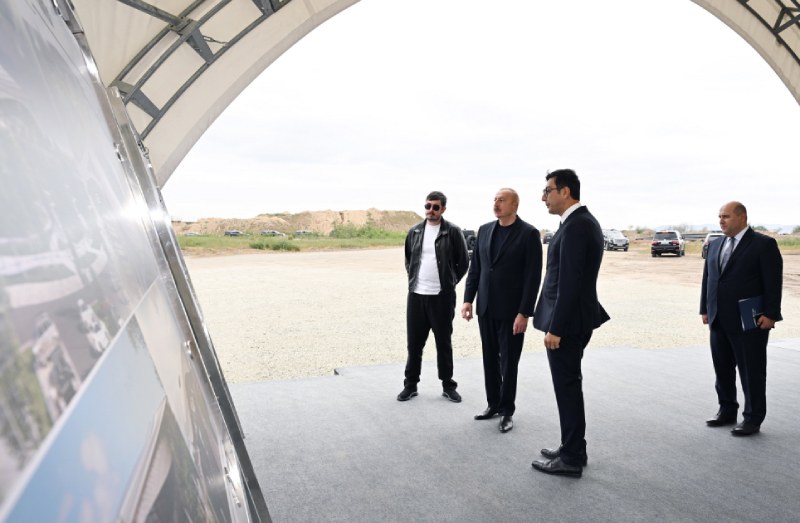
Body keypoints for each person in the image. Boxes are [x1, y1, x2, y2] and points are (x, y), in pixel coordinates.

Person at [531, 169, 609, 478]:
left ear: (565, 191)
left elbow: (570, 283)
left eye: (547, 190)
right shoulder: (576, 223)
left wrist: (556, 328)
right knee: (568, 386)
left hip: (568, 323)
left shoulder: (578, 226)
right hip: (573, 319)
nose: (543, 197)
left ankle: (571, 457)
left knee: (567, 388)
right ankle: (573, 446)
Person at [461, 188, 542, 433]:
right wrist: (468, 299)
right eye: (495, 199)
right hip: (486, 308)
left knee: (509, 363)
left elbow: (532, 277)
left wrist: (524, 312)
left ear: (514, 205)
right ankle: (493, 404)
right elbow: (476, 268)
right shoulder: (485, 230)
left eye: (502, 200)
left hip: (512, 312)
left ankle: (507, 411)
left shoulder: (528, 234)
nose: (496, 204)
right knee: (489, 359)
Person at [700, 201, 782, 436]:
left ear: (742, 217)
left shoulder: (763, 244)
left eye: (726, 216)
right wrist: (705, 308)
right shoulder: (715, 244)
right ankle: (727, 410)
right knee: (722, 369)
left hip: (750, 318)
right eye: (719, 217)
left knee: (751, 371)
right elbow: (708, 279)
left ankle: (753, 418)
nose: (721, 221)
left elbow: (773, 282)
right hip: (718, 318)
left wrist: (771, 314)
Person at [398, 191, 470, 402]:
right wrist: (415, 281)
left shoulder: (453, 231)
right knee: (414, 345)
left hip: (442, 298)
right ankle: (410, 385)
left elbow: (463, 262)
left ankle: (448, 385)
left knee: (443, 344)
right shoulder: (415, 231)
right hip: (416, 297)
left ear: (443, 209)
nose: (431, 210)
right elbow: (409, 260)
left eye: (435, 207)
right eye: (428, 206)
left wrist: (449, 283)